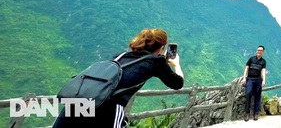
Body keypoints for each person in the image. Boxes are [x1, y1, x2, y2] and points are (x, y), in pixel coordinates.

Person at [53, 28, 184, 128]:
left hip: (80, 101)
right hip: (108, 109)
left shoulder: (120, 56)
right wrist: (176, 65)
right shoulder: (156, 61)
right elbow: (177, 83)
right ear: (161, 48)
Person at [242, 45, 266, 121]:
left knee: (257, 96)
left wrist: (264, 81)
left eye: (260, 50)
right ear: (256, 51)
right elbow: (246, 68)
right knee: (248, 93)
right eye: (258, 50)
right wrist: (244, 78)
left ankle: (255, 114)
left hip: (258, 79)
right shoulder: (251, 59)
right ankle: (247, 113)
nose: (259, 51)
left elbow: (263, 71)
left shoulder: (263, 61)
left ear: (263, 52)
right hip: (250, 79)